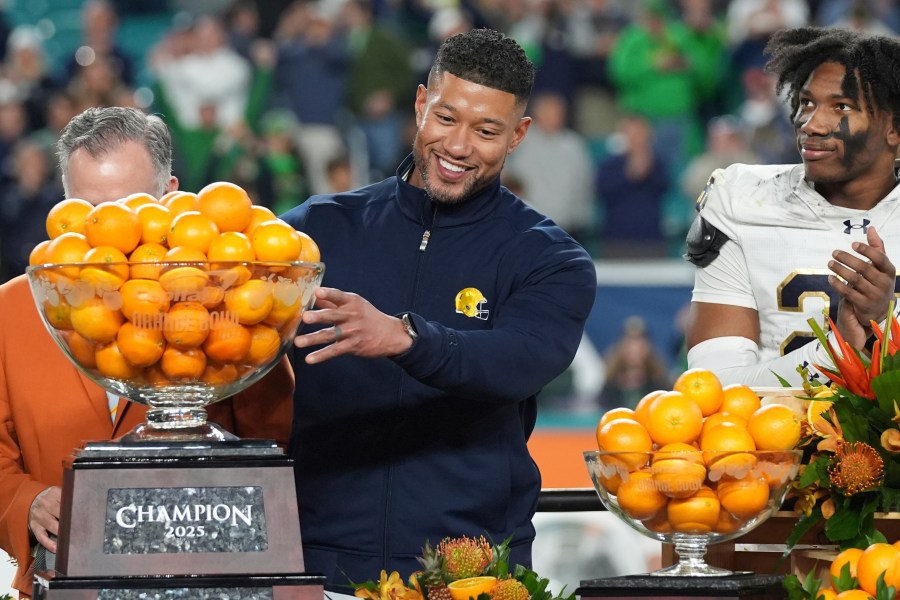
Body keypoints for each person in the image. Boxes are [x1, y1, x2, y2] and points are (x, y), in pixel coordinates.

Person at [280, 28, 597, 591]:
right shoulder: (314, 231)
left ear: (518, 135)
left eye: (486, 130)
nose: (457, 146)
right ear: (422, 104)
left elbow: (519, 360)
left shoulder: (551, 259)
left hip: (471, 568)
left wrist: (405, 339)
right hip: (314, 554)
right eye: (447, 119)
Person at [0, 106, 293, 598]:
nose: (108, 236)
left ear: (171, 197)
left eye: (129, 208)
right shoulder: (11, 309)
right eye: (88, 213)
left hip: (204, 581)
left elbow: (271, 441)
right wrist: (24, 502)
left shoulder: (232, 309)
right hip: (64, 580)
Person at [684, 27, 900, 389]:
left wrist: (884, 324)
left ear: (894, 128)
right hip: (773, 444)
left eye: (841, 106)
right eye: (806, 102)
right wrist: (838, 349)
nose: (810, 125)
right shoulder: (743, 202)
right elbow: (713, 389)